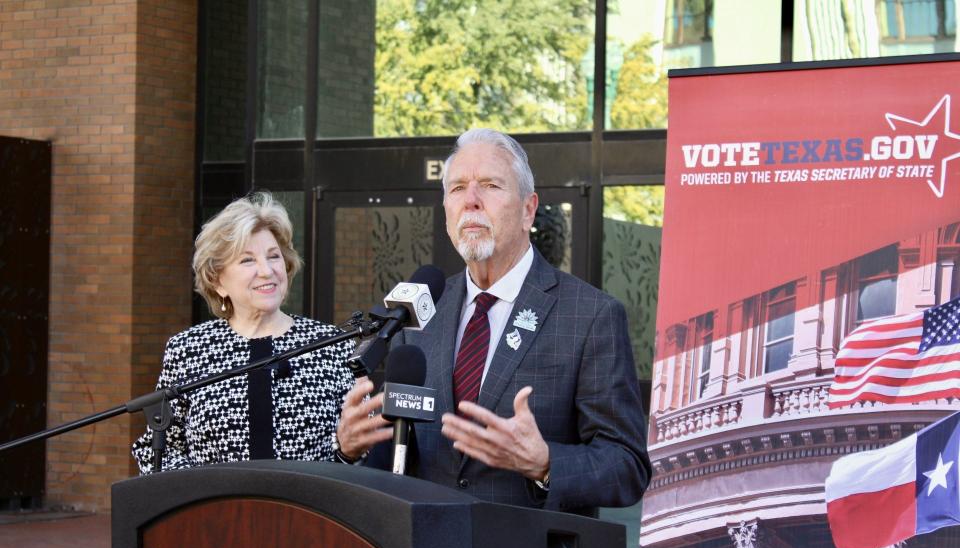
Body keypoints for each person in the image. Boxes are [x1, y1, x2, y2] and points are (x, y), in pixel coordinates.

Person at [336, 128, 651, 514]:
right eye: (457, 189)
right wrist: (354, 449)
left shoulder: (590, 315)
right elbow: (399, 457)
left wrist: (545, 463)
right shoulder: (420, 312)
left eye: (490, 185)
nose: (471, 201)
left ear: (528, 209)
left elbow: (627, 466)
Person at [132, 193, 354, 474]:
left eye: (274, 257)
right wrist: (206, 499)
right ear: (217, 280)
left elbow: (361, 451)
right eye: (248, 261)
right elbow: (160, 448)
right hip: (216, 514)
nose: (267, 271)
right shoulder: (189, 349)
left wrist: (348, 452)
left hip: (310, 512)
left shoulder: (330, 345)